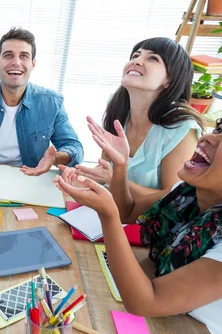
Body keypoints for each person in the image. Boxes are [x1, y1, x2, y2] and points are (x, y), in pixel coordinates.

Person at [55, 97, 222, 334]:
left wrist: (107, 216)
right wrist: (121, 167)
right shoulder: (188, 191)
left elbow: (146, 301)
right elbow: (130, 211)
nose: (208, 138)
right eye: (220, 129)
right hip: (168, 324)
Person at [72, 37, 203, 212]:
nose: (137, 61)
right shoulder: (117, 107)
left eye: (153, 58)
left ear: (169, 80)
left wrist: (115, 180)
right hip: (109, 212)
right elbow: (106, 167)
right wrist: (80, 177)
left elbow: (173, 198)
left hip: (148, 225)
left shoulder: (181, 127)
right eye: (135, 55)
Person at [0, 27, 83, 176]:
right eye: (8, 55)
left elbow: (74, 148)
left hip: (30, 176)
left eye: (24, 56)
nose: (16, 62)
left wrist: (54, 158)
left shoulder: (52, 103)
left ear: (33, 64)